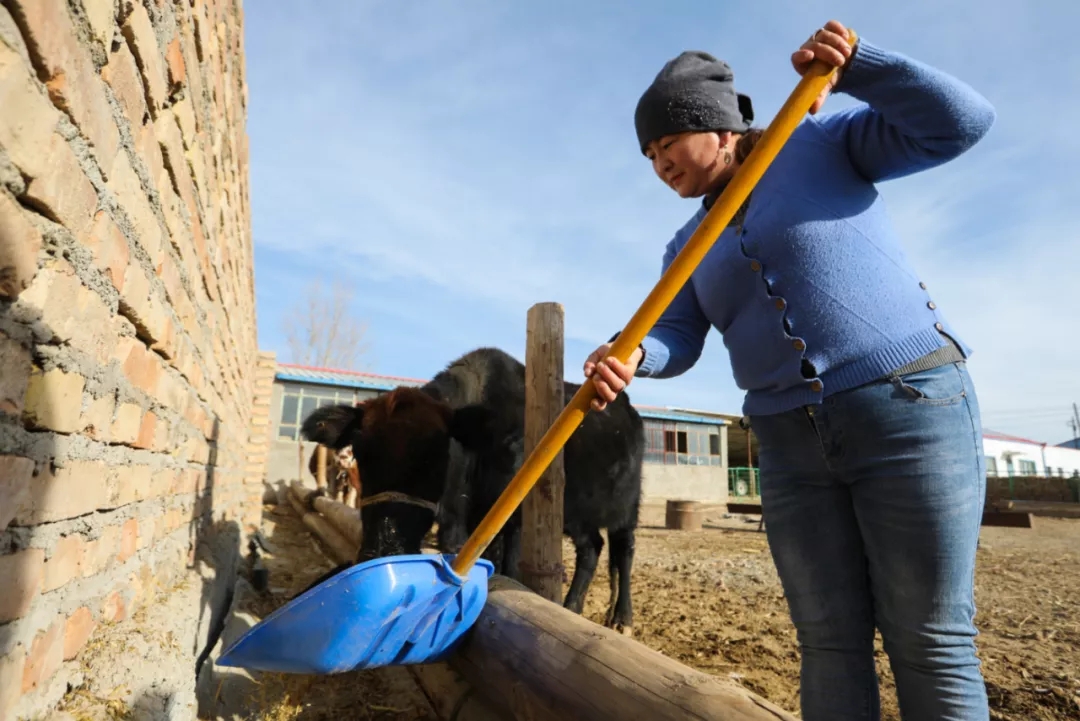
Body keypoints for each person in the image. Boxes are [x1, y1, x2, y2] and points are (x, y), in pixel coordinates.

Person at [583, 20, 995, 721]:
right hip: (788, 445)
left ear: (717, 127)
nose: (659, 163)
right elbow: (677, 336)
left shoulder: (814, 143)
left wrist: (862, 66)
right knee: (828, 640)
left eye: (668, 141)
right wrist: (633, 357)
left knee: (929, 635)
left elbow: (959, 124)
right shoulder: (686, 243)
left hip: (906, 407)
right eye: (648, 153)